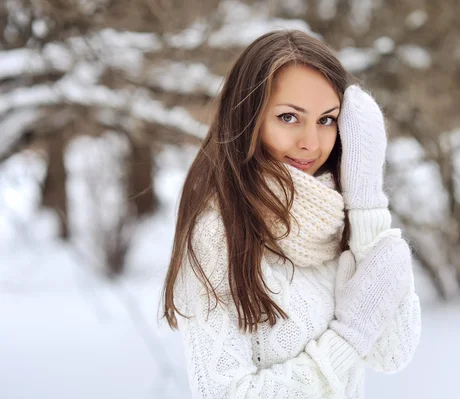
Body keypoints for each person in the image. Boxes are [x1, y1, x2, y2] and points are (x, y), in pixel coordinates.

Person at [161, 29, 421, 398]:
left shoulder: (335, 219)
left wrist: (366, 208)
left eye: (327, 120)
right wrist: (346, 341)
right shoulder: (219, 234)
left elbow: (392, 353)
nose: (310, 143)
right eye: (288, 117)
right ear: (248, 119)